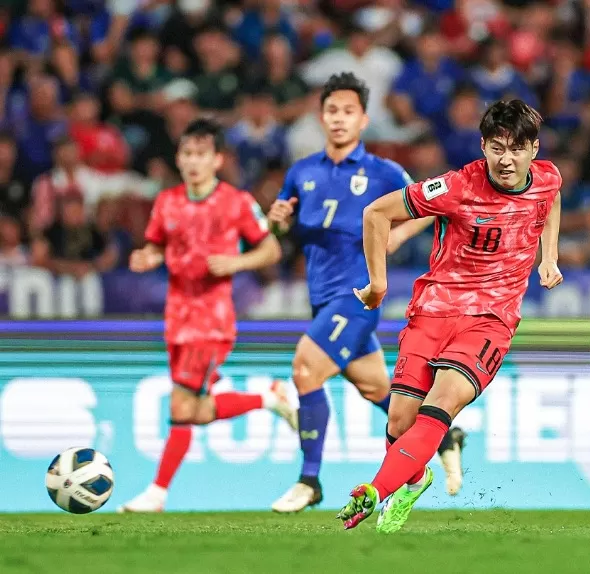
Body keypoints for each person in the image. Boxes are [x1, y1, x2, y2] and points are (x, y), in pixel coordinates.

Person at [337, 98, 564, 533]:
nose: (506, 159)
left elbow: (550, 200)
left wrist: (548, 256)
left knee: (441, 402)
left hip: (491, 318)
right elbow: (376, 213)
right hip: (434, 310)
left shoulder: (548, 177)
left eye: (517, 149)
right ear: (483, 146)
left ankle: (375, 490)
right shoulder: (457, 186)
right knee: (399, 422)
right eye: (497, 148)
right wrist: (378, 283)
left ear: (534, 150)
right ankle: (414, 479)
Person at [267, 72, 467, 513]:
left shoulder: (382, 172)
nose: (339, 119)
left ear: (363, 120)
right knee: (376, 388)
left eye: (348, 111)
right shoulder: (301, 172)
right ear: (321, 118)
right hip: (322, 297)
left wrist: (396, 236)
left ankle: (309, 481)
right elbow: (282, 231)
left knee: (305, 370)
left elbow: (433, 205)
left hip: (358, 297)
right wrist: (277, 222)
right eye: (332, 111)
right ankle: (445, 437)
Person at [117, 118, 296, 513]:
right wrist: (148, 257)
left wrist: (236, 262)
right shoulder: (167, 203)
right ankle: (269, 398)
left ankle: (157, 493)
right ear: (178, 159)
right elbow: (157, 246)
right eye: (187, 154)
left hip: (211, 320)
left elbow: (271, 250)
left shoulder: (236, 201)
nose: (194, 161)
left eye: (201, 154)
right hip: (176, 319)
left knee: (181, 407)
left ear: (217, 160)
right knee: (194, 411)